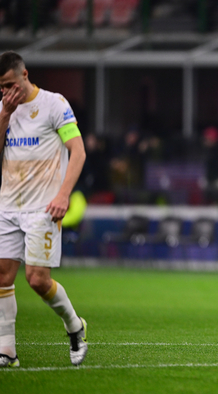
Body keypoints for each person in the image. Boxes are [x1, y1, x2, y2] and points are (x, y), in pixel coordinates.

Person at [0, 51, 88, 368]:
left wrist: (63, 195)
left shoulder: (53, 104)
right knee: (2, 277)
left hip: (44, 206)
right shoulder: (3, 110)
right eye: (1, 88)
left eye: (10, 84)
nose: (7, 92)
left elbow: (77, 152)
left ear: (25, 75)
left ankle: (74, 325)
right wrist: (5, 115)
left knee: (37, 280)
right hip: (8, 205)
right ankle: (7, 351)